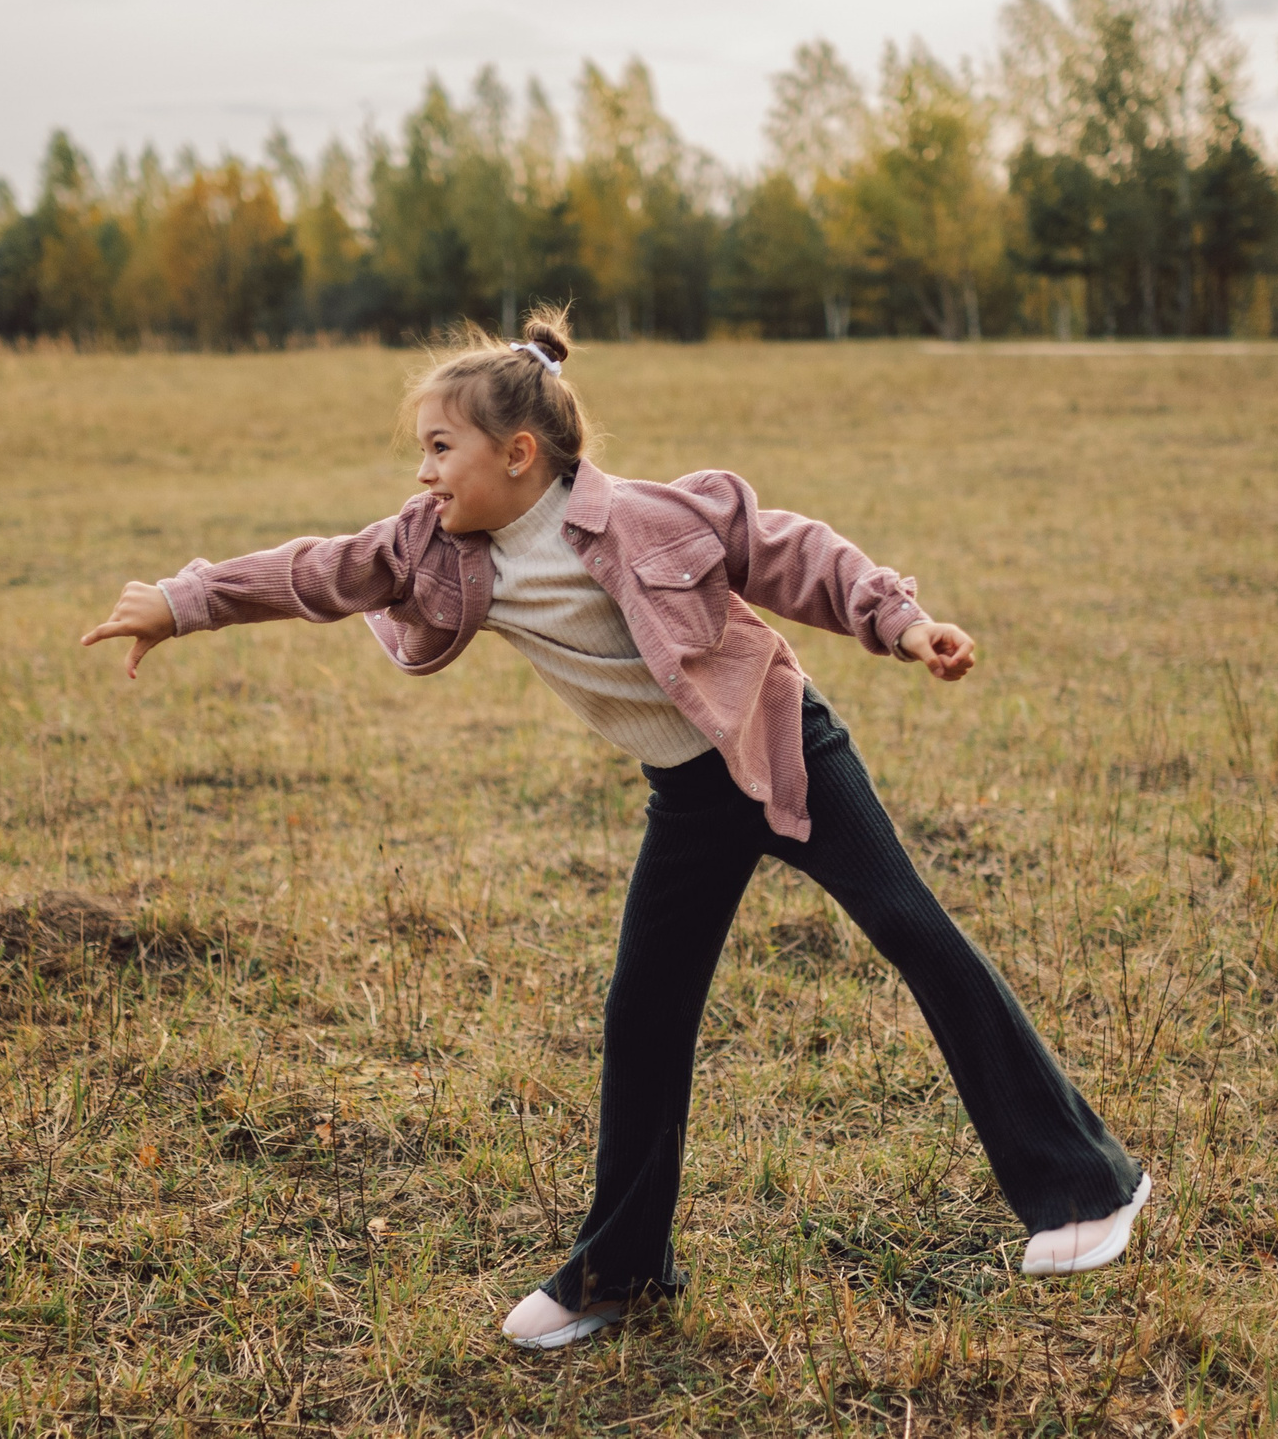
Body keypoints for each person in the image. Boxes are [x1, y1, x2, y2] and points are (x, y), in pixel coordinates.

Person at [80, 310, 1150, 1351]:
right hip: (688, 794)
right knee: (642, 1011)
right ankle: (621, 1269)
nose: (421, 474)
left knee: (915, 932)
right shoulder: (441, 547)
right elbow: (322, 569)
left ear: (518, 452)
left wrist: (903, 621)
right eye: (419, 453)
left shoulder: (651, 517)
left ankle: (1087, 1185)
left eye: (438, 448)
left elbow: (790, 552)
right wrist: (183, 602)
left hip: (780, 750)